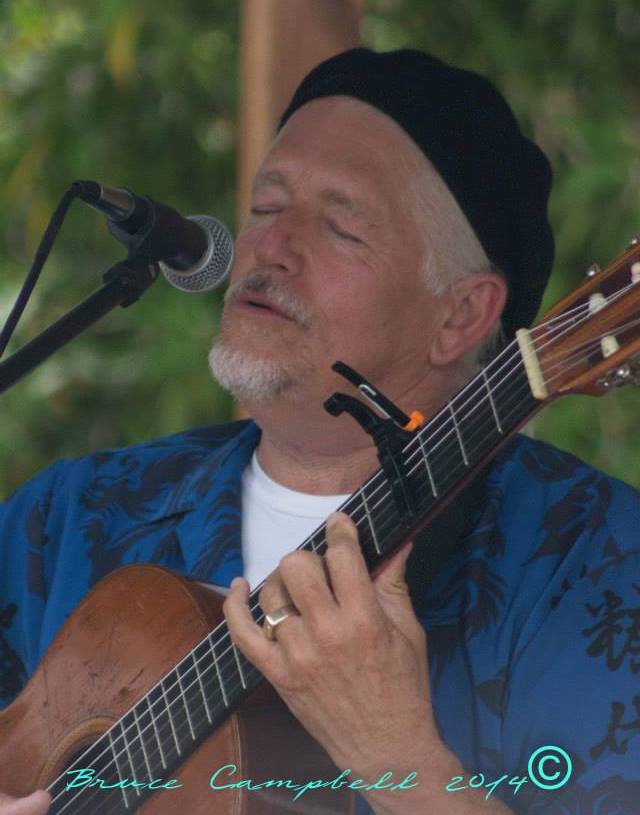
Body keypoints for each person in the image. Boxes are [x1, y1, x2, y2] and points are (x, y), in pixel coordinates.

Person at [0, 48, 638, 815]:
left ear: (461, 314)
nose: (271, 247)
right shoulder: (68, 518)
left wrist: (396, 752)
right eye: (266, 208)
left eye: (340, 227)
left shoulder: (592, 559)